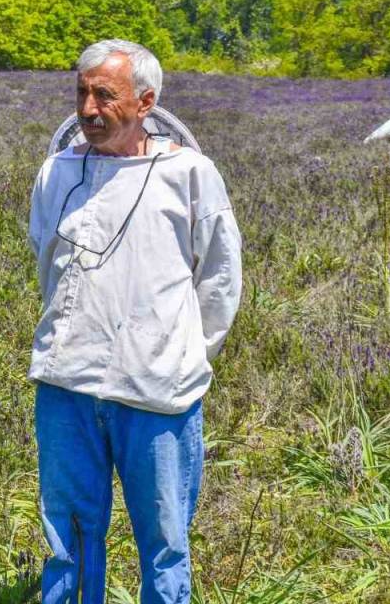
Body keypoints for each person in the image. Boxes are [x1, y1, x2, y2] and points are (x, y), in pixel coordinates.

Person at [27, 39, 243, 603]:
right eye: (82, 93)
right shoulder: (57, 172)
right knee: (68, 538)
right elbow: (46, 260)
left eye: (106, 95)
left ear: (145, 101)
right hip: (66, 383)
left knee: (165, 543)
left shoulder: (191, 174)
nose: (89, 109)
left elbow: (219, 281)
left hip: (157, 395)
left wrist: (182, 356)